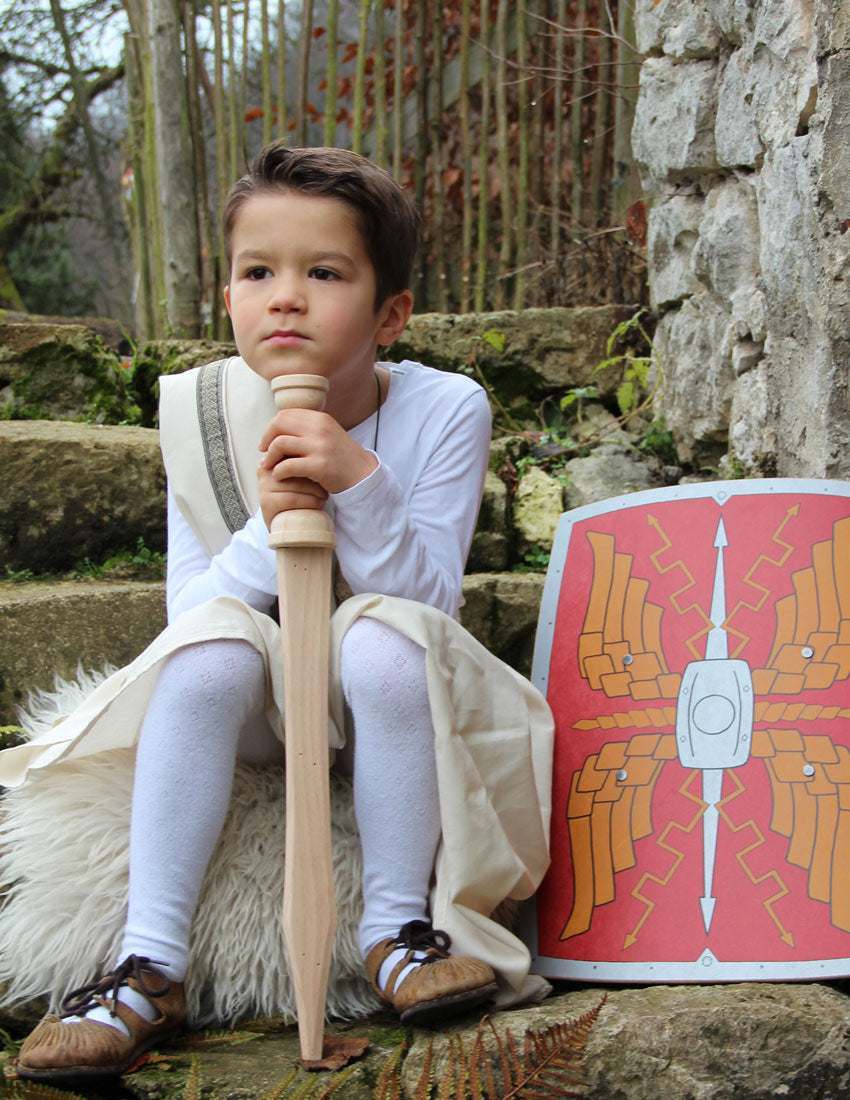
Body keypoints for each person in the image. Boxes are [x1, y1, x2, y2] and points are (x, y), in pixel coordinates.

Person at [7, 142, 553, 1082]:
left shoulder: (446, 409)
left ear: (390, 313)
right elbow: (196, 616)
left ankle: (394, 931)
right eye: (257, 272)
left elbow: (431, 603)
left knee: (385, 641)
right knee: (208, 657)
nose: (285, 296)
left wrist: (358, 480)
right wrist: (277, 517)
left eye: (323, 272)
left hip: (385, 693)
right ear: (228, 298)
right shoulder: (201, 415)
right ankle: (149, 964)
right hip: (259, 693)